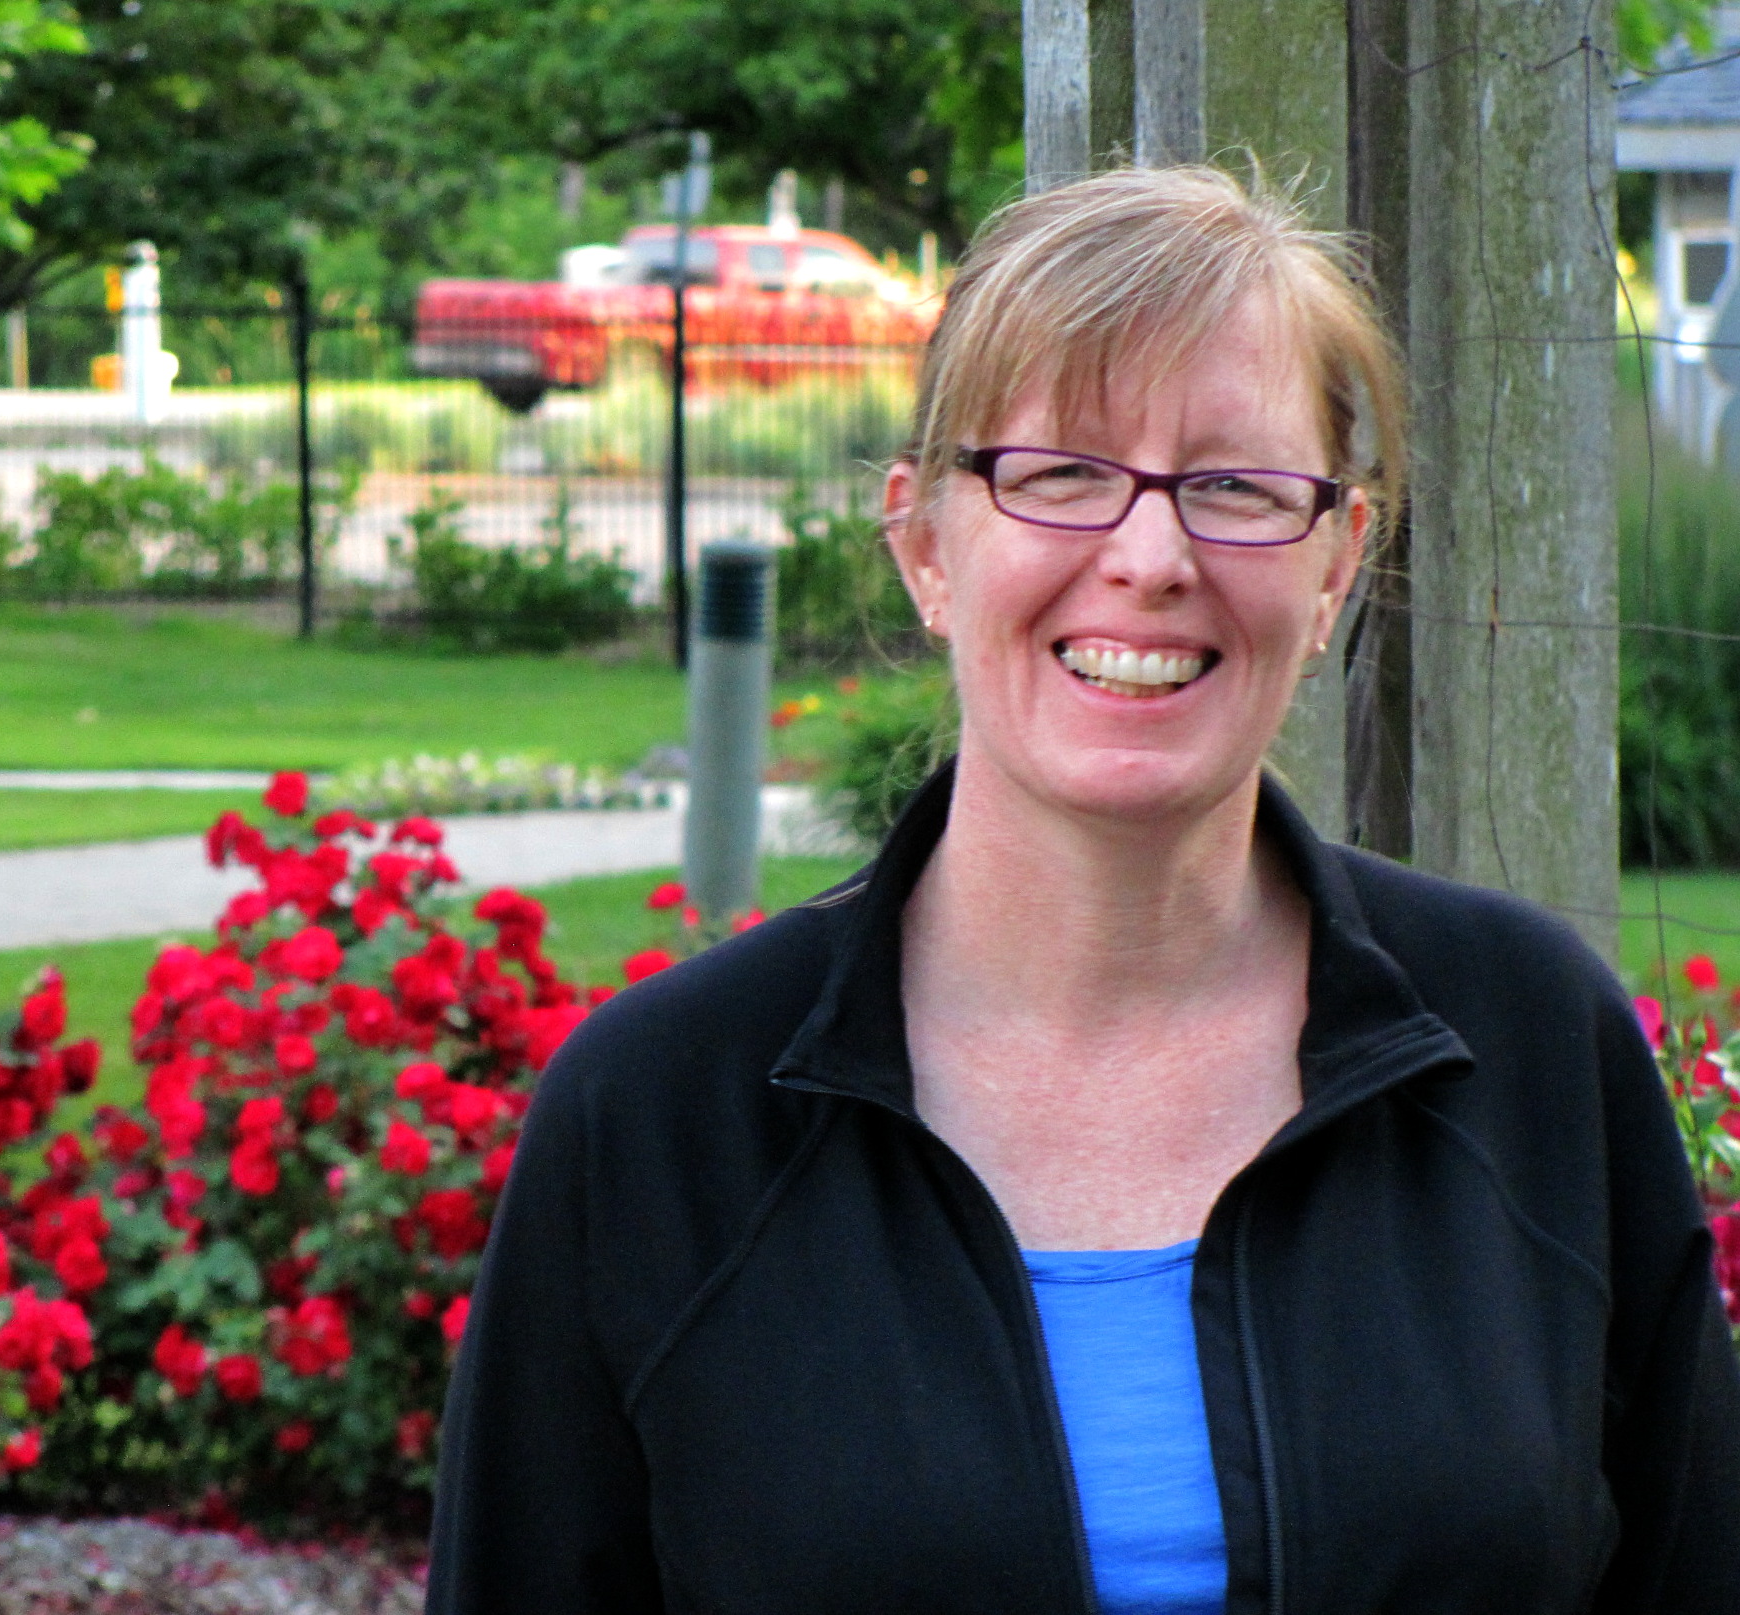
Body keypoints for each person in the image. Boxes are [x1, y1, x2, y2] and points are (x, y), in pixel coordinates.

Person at [424, 167, 1740, 1614]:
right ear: (924, 542)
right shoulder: (663, 1114)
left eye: (1236, 487)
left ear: (1335, 567)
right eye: (1061, 475)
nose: (1151, 559)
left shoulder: (1526, 1045)